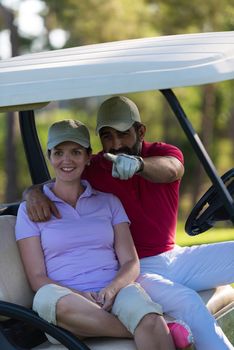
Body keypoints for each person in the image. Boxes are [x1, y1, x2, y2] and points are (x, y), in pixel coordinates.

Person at [24, 96, 234, 350]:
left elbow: (171, 169)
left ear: (140, 130)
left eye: (123, 134)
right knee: (188, 302)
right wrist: (31, 192)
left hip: (173, 256)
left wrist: (139, 166)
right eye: (107, 136)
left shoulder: (163, 154)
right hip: (138, 269)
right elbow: (63, 176)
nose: (115, 143)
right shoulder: (95, 166)